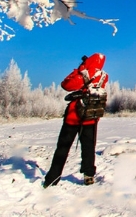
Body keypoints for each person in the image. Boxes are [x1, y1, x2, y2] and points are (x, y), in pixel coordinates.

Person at [44, 53, 108, 188]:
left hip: (73, 117)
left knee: (63, 147)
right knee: (89, 148)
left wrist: (79, 70)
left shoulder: (82, 74)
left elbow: (66, 85)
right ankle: (89, 175)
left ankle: (53, 178)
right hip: (91, 118)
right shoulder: (103, 76)